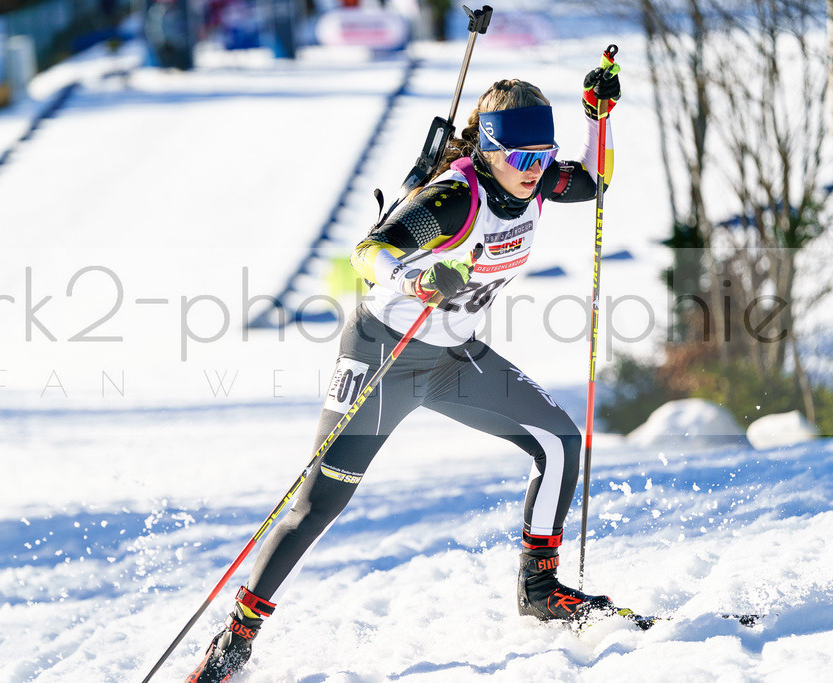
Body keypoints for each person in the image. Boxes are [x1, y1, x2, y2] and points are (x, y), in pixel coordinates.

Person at [186, 63, 622, 682]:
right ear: (490, 148)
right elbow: (369, 252)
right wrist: (415, 277)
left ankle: (540, 588)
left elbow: (595, 181)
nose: (534, 169)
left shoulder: (537, 180)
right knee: (320, 501)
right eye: (521, 155)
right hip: (382, 356)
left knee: (560, 440)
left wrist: (594, 118)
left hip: (454, 358)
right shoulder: (453, 198)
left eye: (543, 154)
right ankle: (237, 637)